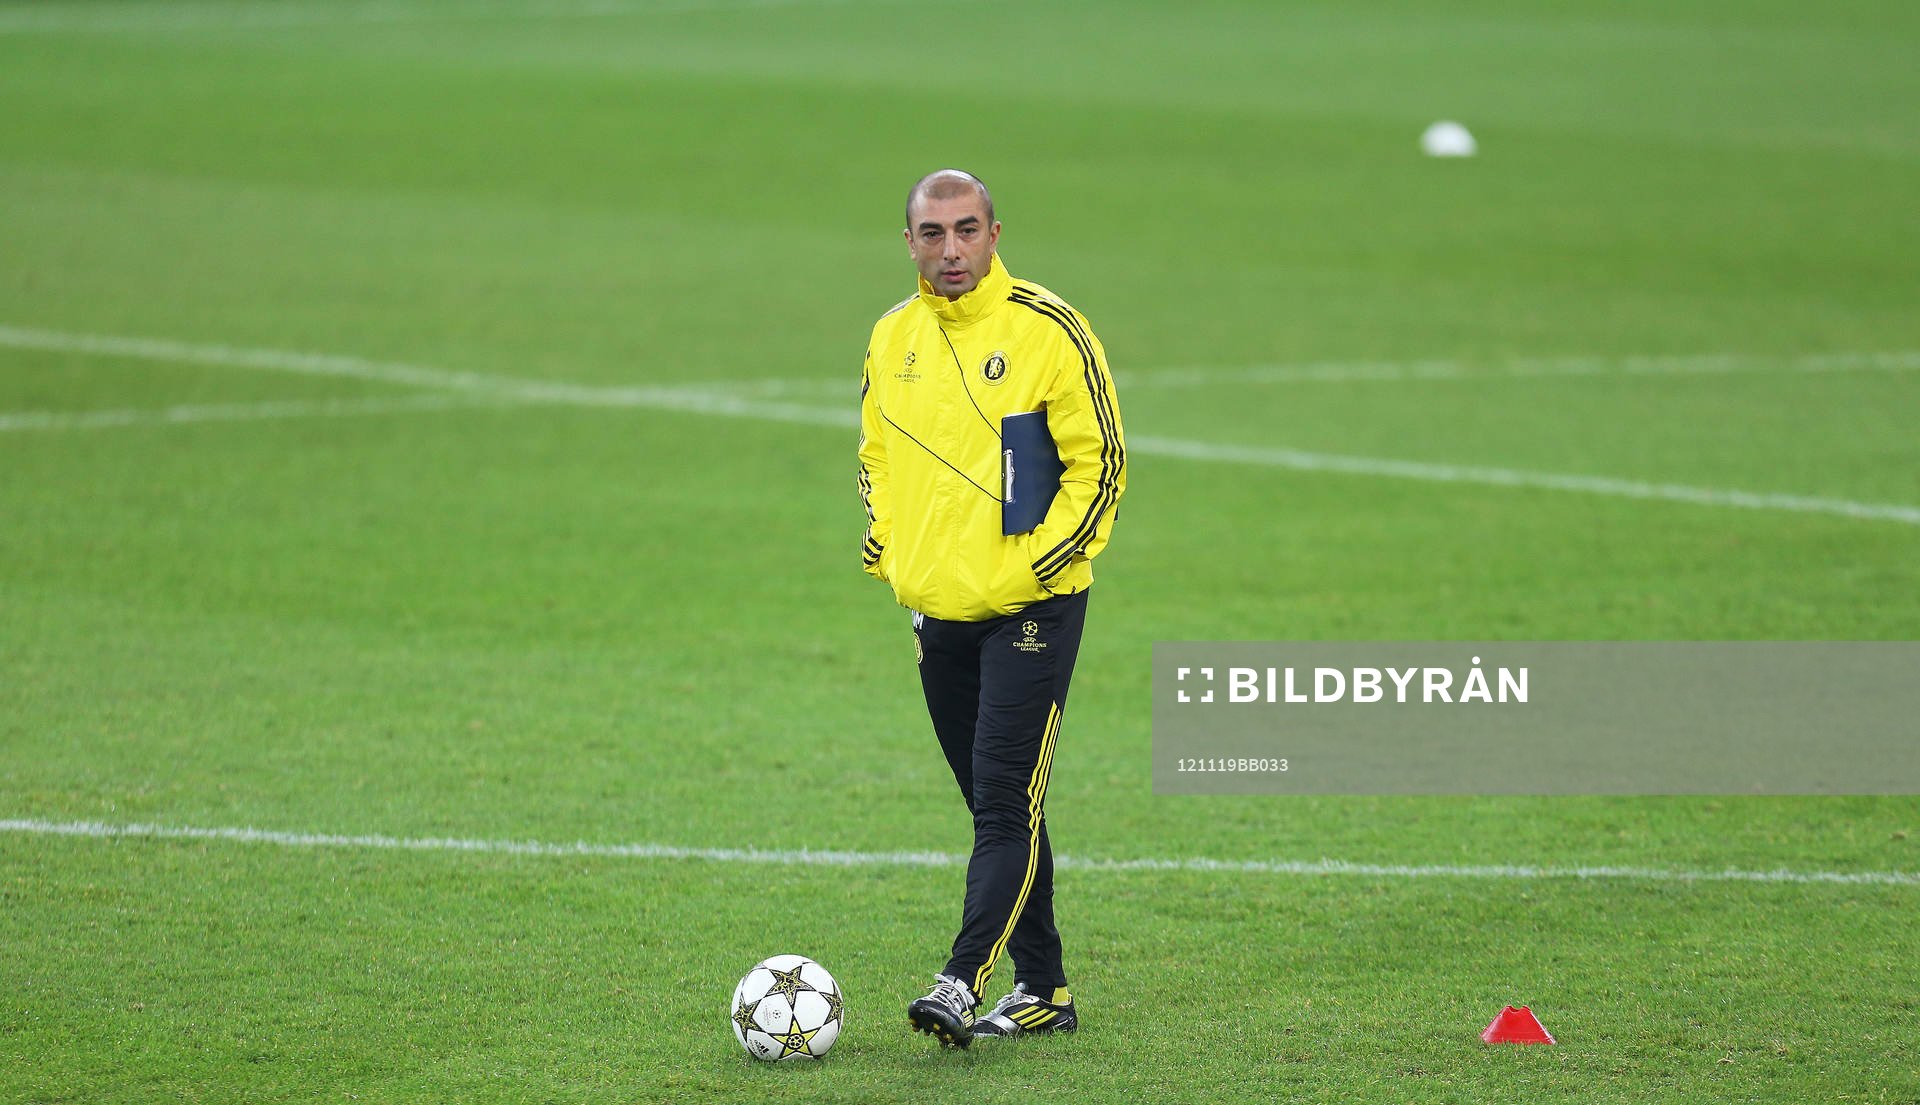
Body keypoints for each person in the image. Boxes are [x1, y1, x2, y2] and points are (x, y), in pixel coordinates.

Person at [856, 169, 1127, 1048]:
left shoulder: (1049, 328)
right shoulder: (891, 336)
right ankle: (1043, 987)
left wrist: (1040, 561)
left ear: (995, 234)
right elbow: (875, 455)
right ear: (909, 242)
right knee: (996, 804)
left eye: (967, 230)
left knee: (1006, 799)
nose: (952, 250)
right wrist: (890, 545)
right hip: (938, 611)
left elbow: (1101, 463)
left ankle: (961, 979)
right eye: (933, 233)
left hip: (1032, 609)